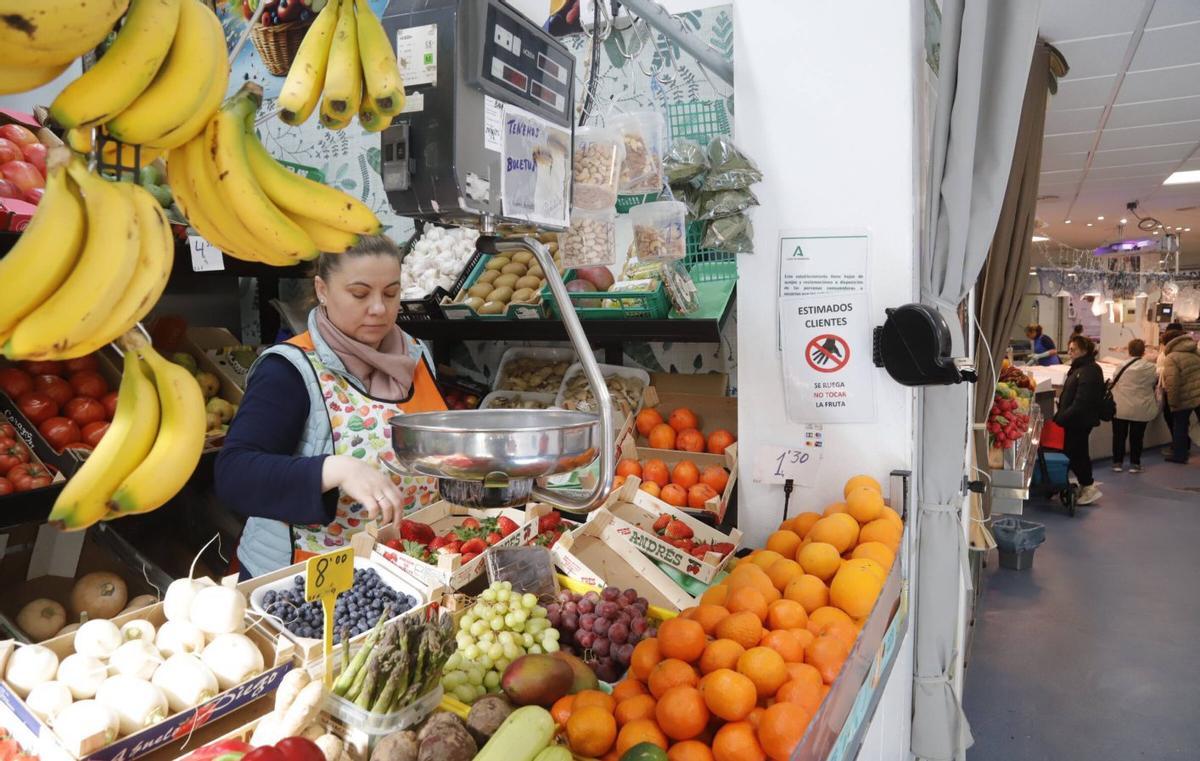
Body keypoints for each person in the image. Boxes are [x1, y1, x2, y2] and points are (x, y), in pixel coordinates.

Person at [215, 236, 447, 578]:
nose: (379, 308)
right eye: (360, 294)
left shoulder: (415, 354)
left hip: (405, 570)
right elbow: (234, 474)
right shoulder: (289, 370)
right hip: (310, 579)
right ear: (322, 290)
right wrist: (334, 470)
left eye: (390, 293)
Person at [1054, 335, 1105, 505]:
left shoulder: (1089, 370)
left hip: (1079, 421)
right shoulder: (1080, 369)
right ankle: (1085, 485)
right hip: (1075, 420)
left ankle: (1088, 486)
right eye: (1069, 349)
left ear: (1084, 350)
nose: (1070, 352)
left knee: (1076, 453)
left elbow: (1082, 401)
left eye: (1073, 349)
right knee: (1078, 452)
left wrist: (1062, 417)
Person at [1109, 339, 1158, 473]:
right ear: (1143, 351)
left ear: (1129, 350)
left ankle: (1117, 463)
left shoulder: (1121, 366)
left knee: (1119, 436)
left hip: (1121, 406)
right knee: (1137, 437)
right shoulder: (1150, 367)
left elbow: (1115, 380)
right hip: (1141, 407)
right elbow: (1153, 382)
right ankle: (1134, 464)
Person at [1159, 328, 1200, 464]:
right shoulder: (1195, 351)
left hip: (1184, 396)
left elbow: (1173, 383)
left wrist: (1173, 402)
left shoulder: (1172, 358)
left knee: (1180, 426)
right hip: (1198, 393)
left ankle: (1180, 455)